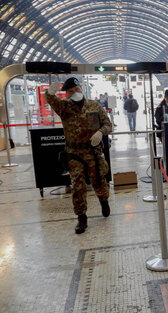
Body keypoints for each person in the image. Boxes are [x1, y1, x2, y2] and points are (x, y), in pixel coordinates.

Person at [45, 78, 112, 234]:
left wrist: (100, 133)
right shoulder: (64, 107)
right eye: (70, 91)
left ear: (81, 88)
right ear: (66, 93)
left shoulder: (94, 105)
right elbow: (50, 99)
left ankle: (104, 201)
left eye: (76, 89)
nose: (74, 93)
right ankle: (81, 218)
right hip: (74, 154)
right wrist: (49, 92)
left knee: (99, 180)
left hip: (93, 152)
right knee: (78, 186)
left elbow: (108, 124)